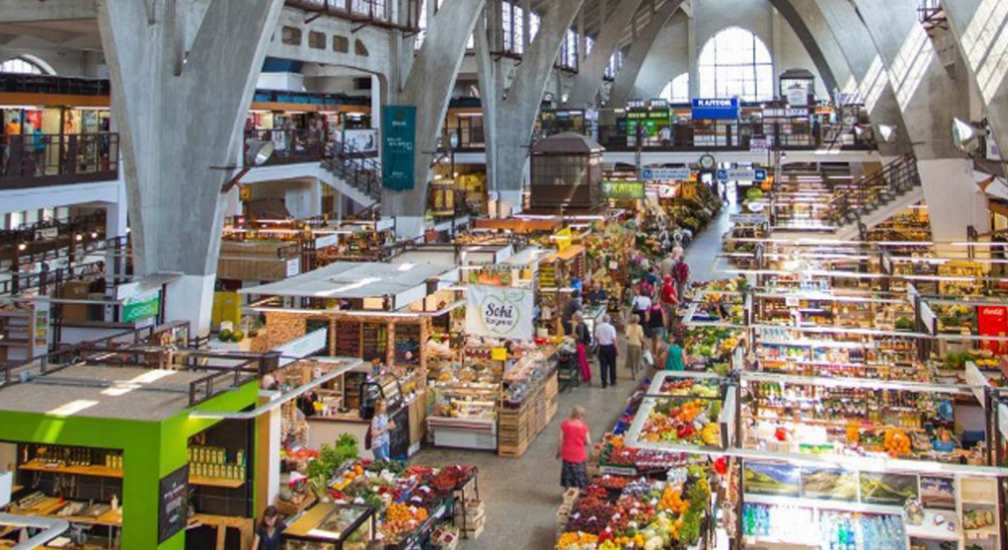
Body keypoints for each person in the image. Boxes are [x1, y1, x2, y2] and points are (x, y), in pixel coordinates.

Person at [557, 406, 592, 490]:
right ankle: (577, 493)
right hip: (578, 454)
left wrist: (559, 452)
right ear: (581, 416)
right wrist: (581, 442)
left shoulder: (565, 424)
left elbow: (560, 440)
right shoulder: (583, 427)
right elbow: (588, 442)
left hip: (567, 454)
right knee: (578, 475)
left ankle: (567, 493)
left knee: (567, 474)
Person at [594, 314, 618, 388]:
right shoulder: (611, 328)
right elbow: (614, 339)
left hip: (602, 347)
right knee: (612, 365)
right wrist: (616, 348)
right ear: (609, 320)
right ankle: (612, 381)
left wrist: (598, 345)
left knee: (603, 365)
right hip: (610, 347)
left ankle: (604, 382)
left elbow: (596, 338)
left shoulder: (598, 327)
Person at [573, 312, 592, 383]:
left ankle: (585, 377)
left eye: (575, 317)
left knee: (582, 362)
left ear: (578, 317)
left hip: (581, 345)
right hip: (585, 345)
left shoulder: (580, 325)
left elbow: (580, 337)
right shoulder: (583, 324)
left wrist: (574, 335)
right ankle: (588, 376)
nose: (574, 318)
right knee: (585, 362)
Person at [625, 314, 644, 379]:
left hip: (630, 344)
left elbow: (627, 336)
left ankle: (633, 373)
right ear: (638, 320)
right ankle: (636, 371)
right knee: (637, 359)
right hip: (638, 344)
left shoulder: (629, 326)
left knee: (631, 359)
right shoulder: (640, 327)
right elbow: (641, 337)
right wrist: (644, 343)